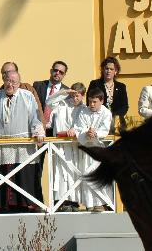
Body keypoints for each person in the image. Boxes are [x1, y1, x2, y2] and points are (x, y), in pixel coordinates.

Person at [0, 71, 44, 213]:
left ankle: (25, 204)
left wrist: (38, 132)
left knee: (24, 175)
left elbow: (35, 117)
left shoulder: (28, 96)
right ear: (4, 81)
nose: (11, 84)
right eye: (8, 81)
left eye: (14, 81)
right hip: (1, 144)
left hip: (23, 145)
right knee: (3, 175)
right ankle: (4, 205)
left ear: (19, 83)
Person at [45, 83, 87, 211]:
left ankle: (74, 201)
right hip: (61, 146)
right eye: (73, 95)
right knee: (60, 174)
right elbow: (49, 101)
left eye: (78, 96)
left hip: (76, 146)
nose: (75, 98)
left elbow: (85, 124)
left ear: (83, 95)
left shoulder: (85, 109)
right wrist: (63, 93)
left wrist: (76, 130)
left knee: (74, 173)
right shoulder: (62, 104)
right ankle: (61, 201)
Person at [75, 87, 113, 212]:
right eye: (90, 101)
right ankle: (89, 204)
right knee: (87, 175)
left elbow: (105, 129)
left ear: (101, 101)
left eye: (94, 102)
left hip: (101, 149)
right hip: (87, 149)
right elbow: (79, 128)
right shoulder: (83, 112)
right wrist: (86, 133)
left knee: (99, 176)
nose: (91, 104)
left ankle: (103, 203)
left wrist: (95, 133)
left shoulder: (106, 113)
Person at [87, 56, 128, 133]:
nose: (108, 71)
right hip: (98, 122)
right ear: (102, 70)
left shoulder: (121, 86)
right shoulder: (95, 84)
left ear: (116, 71)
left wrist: (113, 116)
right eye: (106, 68)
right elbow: (89, 103)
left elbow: (125, 106)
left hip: (116, 124)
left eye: (111, 69)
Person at [33, 61, 70, 137]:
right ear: (51, 71)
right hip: (39, 130)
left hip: (56, 130)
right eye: (55, 70)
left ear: (64, 75)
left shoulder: (67, 92)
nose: (57, 73)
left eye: (61, 72)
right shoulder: (38, 85)